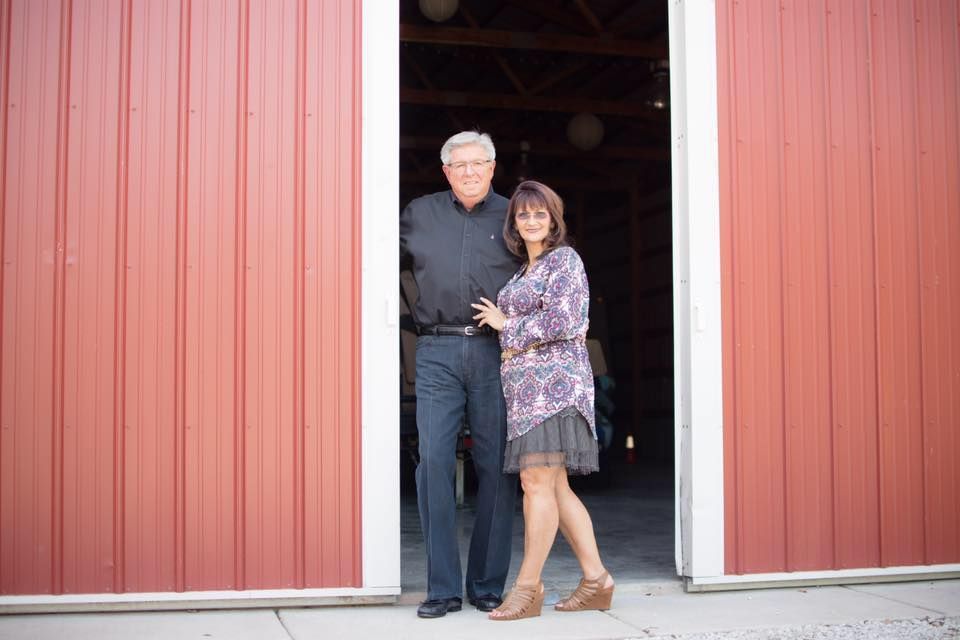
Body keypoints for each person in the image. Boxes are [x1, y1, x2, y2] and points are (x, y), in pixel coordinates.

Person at [471, 180, 614, 621]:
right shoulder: (523, 272)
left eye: (540, 213)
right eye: (522, 214)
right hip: (525, 393)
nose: (531, 221)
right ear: (514, 223)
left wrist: (504, 324)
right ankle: (597, 581)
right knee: (554, 486)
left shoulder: (564, 261)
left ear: (553, 219)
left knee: (535, 484)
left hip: (556, 388)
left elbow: (567, 320)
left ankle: (528, 588)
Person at [399, 131, 519, 619]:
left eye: (478, 163)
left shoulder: (515, 215)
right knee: (433, 465)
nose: (469, 171)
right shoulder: (417, 214)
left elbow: (547, 272)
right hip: (436, 350)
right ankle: (443, 588)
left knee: (496, 466)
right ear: (445, 171)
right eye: (459, 165)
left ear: (493, 167)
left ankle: (487, 585)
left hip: (496, 353)